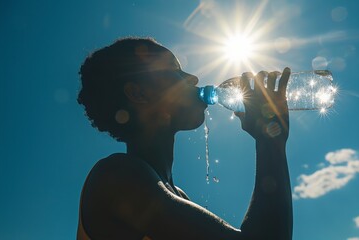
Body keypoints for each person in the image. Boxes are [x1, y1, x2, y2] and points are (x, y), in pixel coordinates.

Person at [77, 37, 293, 240]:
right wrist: (270, 140)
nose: (194, 78)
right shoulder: (117, 177)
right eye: (175, 70)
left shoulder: (175, 194)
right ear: (139, 94)